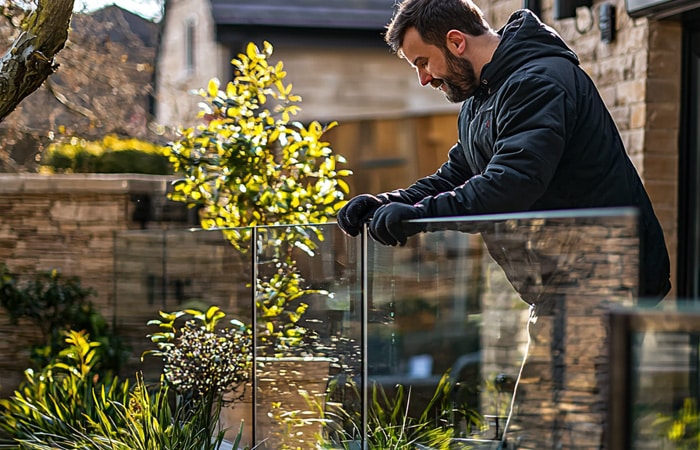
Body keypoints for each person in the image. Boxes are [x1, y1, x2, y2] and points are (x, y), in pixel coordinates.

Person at [336, 0, 671, 300]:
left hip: (604, 281)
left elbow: (511, 183)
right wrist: (391, 202)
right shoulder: (481, 100)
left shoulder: (538, 81)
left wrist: (419, 216)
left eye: (424, 62)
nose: (424, 78)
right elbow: (457, 174)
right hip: (567, 285)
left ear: (456, 41)